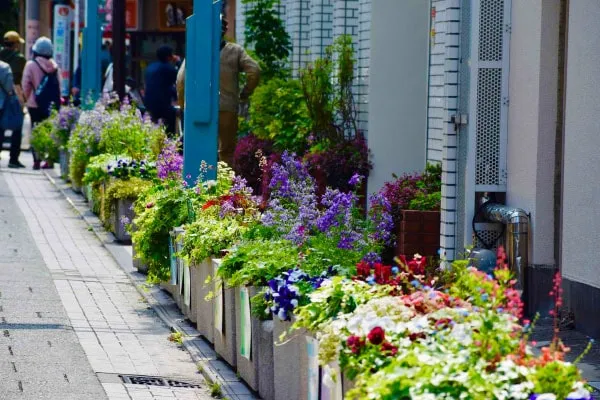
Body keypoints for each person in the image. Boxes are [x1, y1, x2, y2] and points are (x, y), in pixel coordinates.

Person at [218, 18, 260, 166]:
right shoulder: (235, 51)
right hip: (228, 107)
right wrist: (245, 93)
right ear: (224, 31)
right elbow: (254, 70)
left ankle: (200, 186)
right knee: (227, 153)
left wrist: (183, 104)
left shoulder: (197, 50)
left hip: (201, 108)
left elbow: (181, 79)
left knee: (202, 150)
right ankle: (228, 186)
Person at [22, 36, 61, 170]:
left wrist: (26, 100)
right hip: (50, 104)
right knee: (49, 131)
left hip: (34, 104)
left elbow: (26, 85)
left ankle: (36, 160)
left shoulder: (31, 65)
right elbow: (59, 86)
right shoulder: (54, 65)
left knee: (36, 130)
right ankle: (49, 161)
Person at [0, 31, 26, 168]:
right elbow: (18, 80)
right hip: (13, 95)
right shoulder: (19, 59)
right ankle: (13, 159)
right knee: (17, 126)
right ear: (15, 44)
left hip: (1, 97)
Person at [143, 45, 178, 136]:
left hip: (148, 103)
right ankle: (170, 142)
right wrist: (178, 62)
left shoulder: (150, 67)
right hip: (162, 105)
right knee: (172, 120)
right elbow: (179, 80)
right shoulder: (168, 68)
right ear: (168, 57)